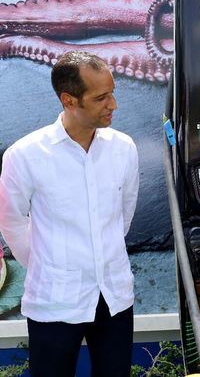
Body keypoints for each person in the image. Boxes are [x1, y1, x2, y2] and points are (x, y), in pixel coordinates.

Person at [0, 51, 139, 377]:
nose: (113, 104)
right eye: (101, 97)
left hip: (115, 297)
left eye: (112, 93)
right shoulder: (26, 155)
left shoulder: (124, 148)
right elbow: (11, 219)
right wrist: (48, 264)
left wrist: (102, 253)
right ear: (69, 100)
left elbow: (124, 214)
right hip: (55, 301)